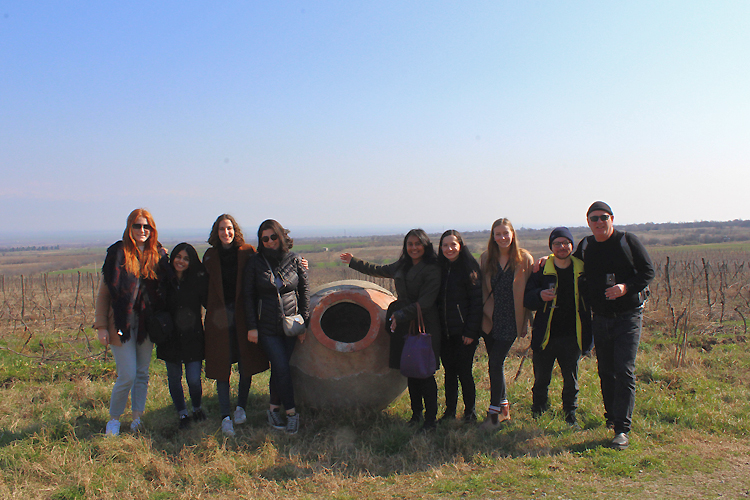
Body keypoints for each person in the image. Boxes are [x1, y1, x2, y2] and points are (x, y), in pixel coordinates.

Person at [340, 229, 441, 432]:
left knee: (425, 372)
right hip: (403, 322)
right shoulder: (401, 265)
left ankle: (431, 419)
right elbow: (378, 270)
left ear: (425, 245)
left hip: (423, 323)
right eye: (410, 244)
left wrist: (400, 315)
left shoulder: (432, 269)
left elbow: (426, 302)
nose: (414, 248)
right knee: (411, 370)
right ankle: (416, 414)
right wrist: (354, 262)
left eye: (417, 244)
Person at [574, 201, 654, 450]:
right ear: (588, 222)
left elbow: (648, 271)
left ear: (612, 218)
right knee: (606, 370)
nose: (599, 222)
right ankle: (611, 418)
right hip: (600, 316)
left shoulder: (627, 241)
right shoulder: (586, 245)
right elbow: (569, 262)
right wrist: (547, 259)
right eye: (594, 218)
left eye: (603, 217)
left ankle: (622, 429)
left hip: (628, 315)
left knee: (624, 370)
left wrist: (625, 288)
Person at [95, 208, 170, 436]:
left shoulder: (157, 255)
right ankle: (114, 419)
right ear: (129, 227)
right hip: (120, 324)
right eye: (137, 226)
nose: (142, 230)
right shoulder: (117, 254)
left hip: (147, 324)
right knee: (126, 374)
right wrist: (100, 327)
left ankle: (137, 417)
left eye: (146, 226)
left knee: (142, 373)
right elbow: (104, 294)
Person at [203, 214, 269, 437]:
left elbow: (268, 264)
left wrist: (299, 262)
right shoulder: (210, 256)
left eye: (229, 228)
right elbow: (203, 287)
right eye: (222, 229)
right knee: (222, 367)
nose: (226, 233)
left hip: (244, 317)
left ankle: (241, 406)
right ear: (216, 232)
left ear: (235, 230)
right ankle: (225, 416)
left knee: (245, 362)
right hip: (219, 321)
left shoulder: (247, 252)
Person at [244, 219, 310, 435]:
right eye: (265, 238)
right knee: (281, 367)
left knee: (280, 369)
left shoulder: (295, 260)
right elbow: (248, 296)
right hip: (267, 327)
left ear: (281, 236)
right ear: (260, 241)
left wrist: (304, 324)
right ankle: (291, 413)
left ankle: (273, 409)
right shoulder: (255, 262)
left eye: (273, 236)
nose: (270, 241)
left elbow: (304, 291)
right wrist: (252, 327)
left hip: (290, 325)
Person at [524, 227, 592, 429]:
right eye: (557, 244)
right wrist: (539, 296)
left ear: (572, 245)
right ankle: (539, 412)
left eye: (565, 243)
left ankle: (570, 414)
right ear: (551, 247)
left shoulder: (582, 268)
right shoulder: (542, 270)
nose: (562, 247)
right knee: (541, 378)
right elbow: (527, 299)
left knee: (571, 379)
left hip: (573, 334)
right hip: (546, 334)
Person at [479, 218, 533, 429]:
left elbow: (533, 287)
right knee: (496, 364)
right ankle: (504, 409)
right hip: (490, 318)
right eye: (497, 234)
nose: (502, 237)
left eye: (505, 233)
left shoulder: (524, 259)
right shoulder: (486, 259)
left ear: (512, 235)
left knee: (494, 363)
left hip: (511, 319)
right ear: (493, 237)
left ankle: (494, 414)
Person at [156, 243, 208, 430]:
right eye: (178, 256)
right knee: (174, 377)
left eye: (186, 258)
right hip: (170, 337)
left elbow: (210, 301)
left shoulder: (197, 280)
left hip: (193, 337)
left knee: (194, 379)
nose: (181, 261)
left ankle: (196, 407)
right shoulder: (164, 279)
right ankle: (182, 413)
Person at [436, 230, 482, 423]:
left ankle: (470, 412)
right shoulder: (438, 268)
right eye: (445, 245)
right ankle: (449, 412)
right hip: (444, 333)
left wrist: (471, 331)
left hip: (464, 333)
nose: (449, 249)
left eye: (453, 245)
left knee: (464, 372)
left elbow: (476, 303)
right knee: (449, 373)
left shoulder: (469, 268)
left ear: (460, 245)